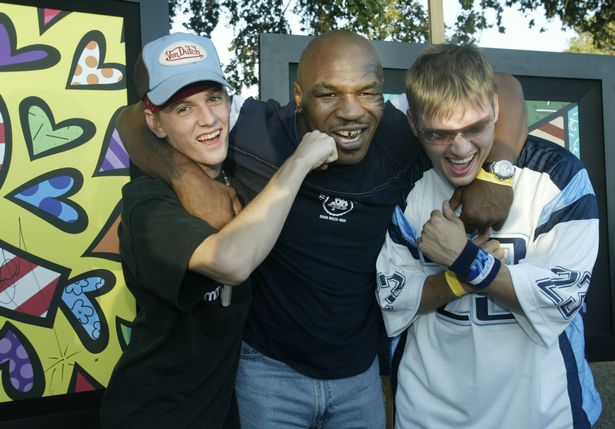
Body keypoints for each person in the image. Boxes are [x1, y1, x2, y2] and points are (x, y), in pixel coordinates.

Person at [116, 31, 527, 428]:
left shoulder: (400, 133)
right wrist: (188, 176)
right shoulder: (256, 133)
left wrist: (498, 171)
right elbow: (131, 118)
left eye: (367, 92)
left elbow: (502, 86)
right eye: (328, 93)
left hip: (359, 373)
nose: (351, 109)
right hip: (267, 372)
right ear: (299, 97)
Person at [100, 33, 337, 429]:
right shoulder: (147, 205)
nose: (208, 119)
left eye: (214, 98)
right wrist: (299, 163)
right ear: (155, 122)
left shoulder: (239, 170)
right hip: (152, 415)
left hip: (222, 412)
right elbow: (231, 262)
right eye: (182, 108)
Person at [376, 43, 602, 428]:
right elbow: (393, 298)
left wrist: (467, 261)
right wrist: (456, 278)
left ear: (497, 109)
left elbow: (562, 297)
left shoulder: (558, 176)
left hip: (543, 412)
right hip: (431, 414)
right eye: (439, 134)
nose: (460, 149)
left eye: (476, 128)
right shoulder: (407, 184)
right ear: (413, 125)